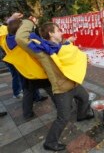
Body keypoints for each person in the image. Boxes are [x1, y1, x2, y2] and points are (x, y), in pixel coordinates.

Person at [16, 19, 93, 151]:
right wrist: (30, 21)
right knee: (64, 117)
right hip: (62, 89)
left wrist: (81, 57)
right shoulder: (42, 51)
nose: (61, 32)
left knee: (84, 98)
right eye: (58, 30)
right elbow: (20, 37)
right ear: (51, 33)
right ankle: (50, 143)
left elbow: (65, 52)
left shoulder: (60, 46)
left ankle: (81, 115)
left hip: (74, 83)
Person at [1, 14, 52, 119]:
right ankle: (64, 107)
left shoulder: (5, 40)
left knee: (27, 92)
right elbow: (44, 46)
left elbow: (3, 28)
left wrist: (11, 18)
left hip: (23, 71)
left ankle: (27, 113)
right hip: (37, 71)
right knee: (51, 90)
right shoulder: (29, 38)